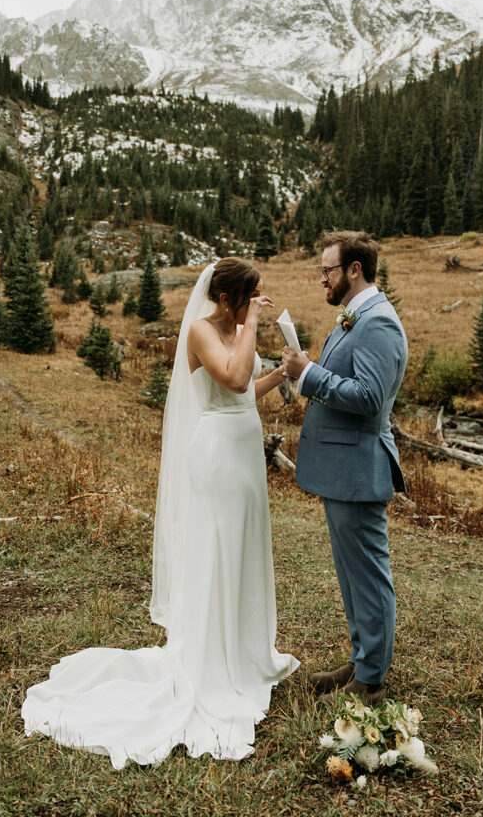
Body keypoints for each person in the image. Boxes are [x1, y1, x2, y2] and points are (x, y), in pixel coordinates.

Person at [22, 258, 298, 767]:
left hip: (243, 455)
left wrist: (284, 370)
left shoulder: (234, 328)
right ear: (225, 298)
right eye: (253, 296)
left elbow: (248, 394)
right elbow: (234, 379)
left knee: (239, 550)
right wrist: (254, 326)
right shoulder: (200, 330)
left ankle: (240, 654)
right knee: (216, 551)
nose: (262, 302)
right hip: (216, 454)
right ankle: (210, 666)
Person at [282, 231, 407, 705]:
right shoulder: (354, 318)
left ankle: (371, 679)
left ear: (354, 269)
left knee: (369, 575)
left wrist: (308, 373)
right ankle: (360, 659)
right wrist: (304, 370)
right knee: (351, 573)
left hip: (359, 467)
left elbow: (370, 398)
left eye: (327, 270)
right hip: (340, 468)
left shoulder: (379, 323)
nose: (322, 279)